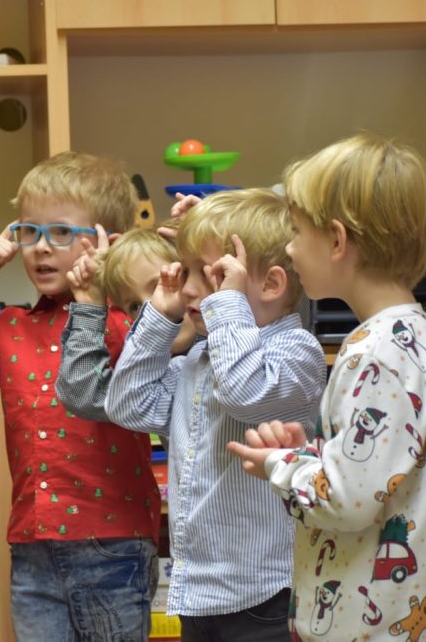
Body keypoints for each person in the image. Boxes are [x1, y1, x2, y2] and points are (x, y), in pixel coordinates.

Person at [227, 134, 426, 640]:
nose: (289, 248)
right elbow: (384, 470)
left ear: (337, 242)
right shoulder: (418, 334)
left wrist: (280, 466)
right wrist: (313, 454)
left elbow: (345, 500)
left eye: (296, 232)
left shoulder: (373, 352)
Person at [0, 152, 163, 641]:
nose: (42, 247)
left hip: (114, 542)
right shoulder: (12, 329)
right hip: (32, 545)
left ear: (108, 241)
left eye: (62, 232)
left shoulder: (128, 323)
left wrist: (111, 281)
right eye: (29, 231)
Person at [104, 187, 327, 641]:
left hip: (267, 591)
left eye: (211, 275)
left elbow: (243, 390)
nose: (188, 288)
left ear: (270, 285)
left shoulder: (297, 351)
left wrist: (226, 304)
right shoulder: (197, 360)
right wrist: (159, 318)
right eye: (186, 271)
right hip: (199, 593)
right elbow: (126, 404)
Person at [56, 226, 197, 423]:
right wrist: (90, 306)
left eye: (161, 285)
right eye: (135, 306)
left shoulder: (229, 343)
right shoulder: (154, 378)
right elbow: (85, 395)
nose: (150, 309)